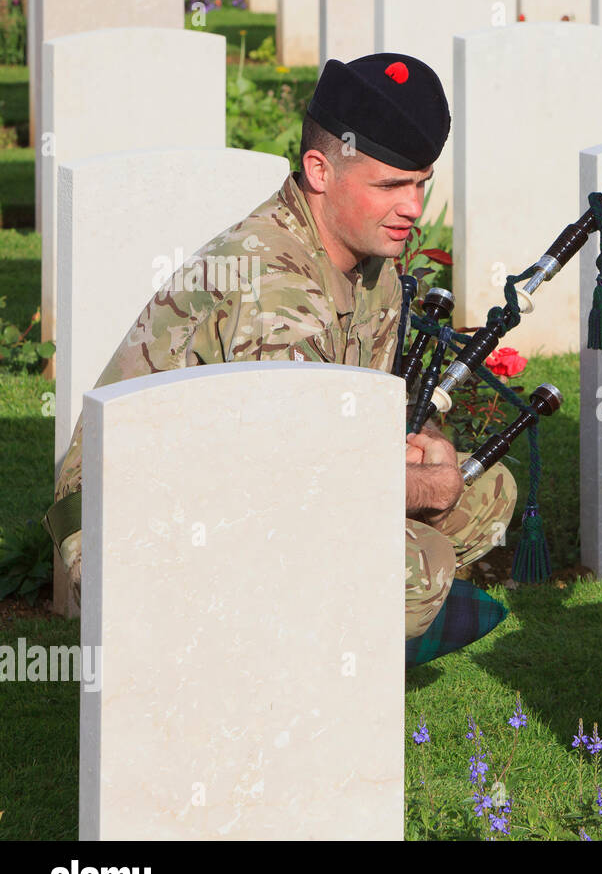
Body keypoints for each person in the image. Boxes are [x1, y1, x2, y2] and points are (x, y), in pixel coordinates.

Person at [45, 53, 515, 642]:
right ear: (320, 170)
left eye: (421, 184)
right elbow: (294, 474)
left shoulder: (373, 265)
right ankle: (264, 657)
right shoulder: (274, 286)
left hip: (254, 477)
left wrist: (429, 451)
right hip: (142, 512)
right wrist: (426, 488)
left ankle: (316, 630)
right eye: (391, 185)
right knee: (415, 571)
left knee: (487, 491)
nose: (414, 208)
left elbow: (351, 428)